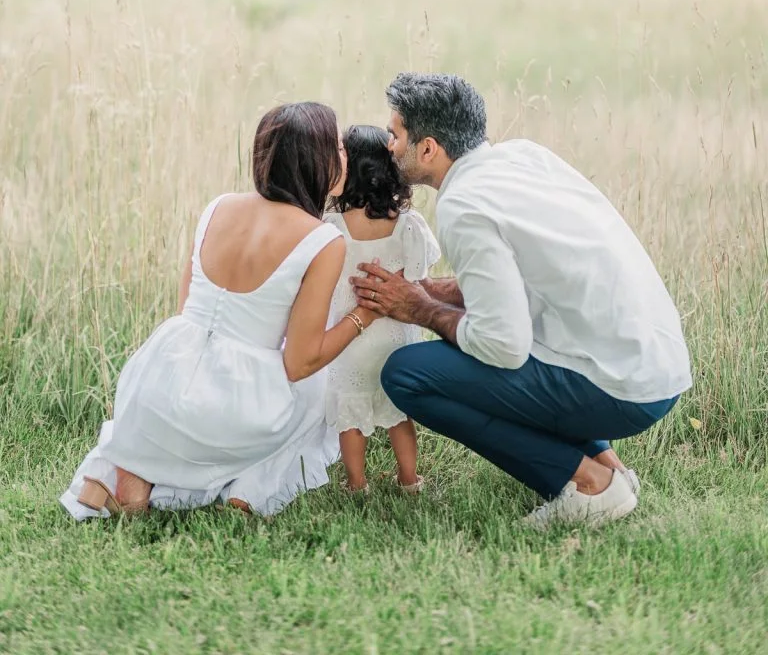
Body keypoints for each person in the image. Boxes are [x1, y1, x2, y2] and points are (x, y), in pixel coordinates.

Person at [351, 73, 692, 528]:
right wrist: (430, 290)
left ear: (428, 148)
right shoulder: (525, 157)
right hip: (656, 366)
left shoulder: (463, 206)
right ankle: (610, 469)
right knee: (485, 352)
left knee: (407, 374)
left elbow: (503, 344)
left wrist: (418, 309)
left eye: (396, 135)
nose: (389, 145)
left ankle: (589, 485)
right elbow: (520, 279)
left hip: (620, 390)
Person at [60, 102, 381, 519]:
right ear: (316, 161)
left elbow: (185, 311)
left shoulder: (217, 207)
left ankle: (128, 473)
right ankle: (248, 490)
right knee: (319, 389)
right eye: (338, 148)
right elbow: (300, 363)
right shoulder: (322, 240)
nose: (346, 158)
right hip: (234, 407)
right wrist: (361, 318)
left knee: (172, 408)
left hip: (156, 382)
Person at [324, 125, 440, 494]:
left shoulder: (333, 226)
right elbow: (420, 273)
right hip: (396, 337)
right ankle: (409, 478)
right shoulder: (408, 224)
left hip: (349, 335)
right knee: (398, 412)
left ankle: (356, 483)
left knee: (350, 414)